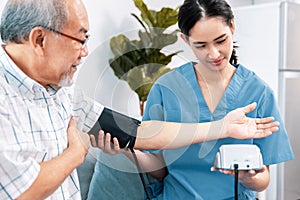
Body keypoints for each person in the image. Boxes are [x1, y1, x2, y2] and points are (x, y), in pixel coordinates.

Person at [0, 0, 281, 199]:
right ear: (39, 40)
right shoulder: (5, 97)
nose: (85, 52)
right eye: (80, 39)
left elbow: (139, 132)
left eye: (220, 41)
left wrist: (222, 128)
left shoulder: (63, 94)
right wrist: (77, 152)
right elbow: (23, 190)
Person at [94, 0, 294, 199]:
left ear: (232, 26)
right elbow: (158, 167)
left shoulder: (259, 93)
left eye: (220, 40)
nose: (213, 53)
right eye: (201, 45)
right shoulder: (166, 89)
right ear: (185, 39)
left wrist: (248, 177)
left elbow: (263, 179)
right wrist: (126, 151)